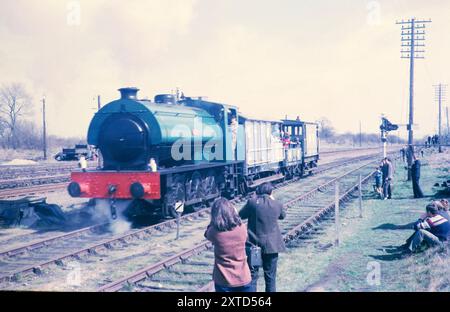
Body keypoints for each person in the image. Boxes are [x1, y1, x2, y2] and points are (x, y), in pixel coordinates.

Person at [239, 182, 286, 292]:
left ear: (258, 191)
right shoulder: (277, 204)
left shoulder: (252, 203)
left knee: (253, 276)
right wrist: (272, 199)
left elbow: (241, 215)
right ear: (271, 192)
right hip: (271, 247)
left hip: (254, 246)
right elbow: (282, 216)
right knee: (270, 277)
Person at [204, 198, 252, 292]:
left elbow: (207, 234)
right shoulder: (242, 228)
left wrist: (213, 221)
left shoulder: (214, 232)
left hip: (223, 280)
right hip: (243, 277)